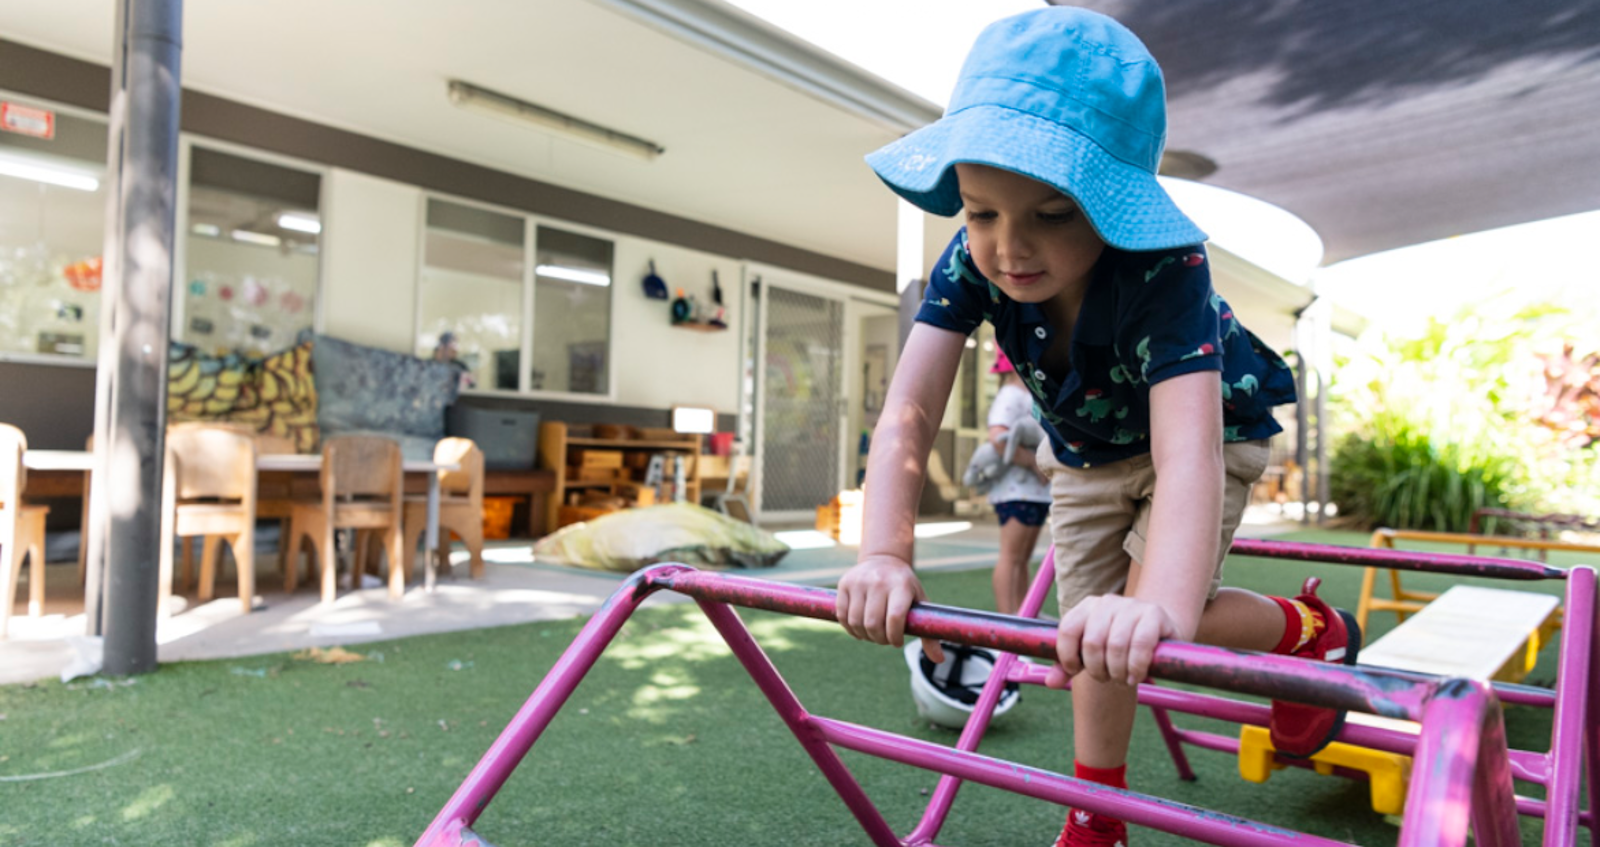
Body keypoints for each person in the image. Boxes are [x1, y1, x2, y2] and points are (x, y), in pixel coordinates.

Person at [832, 9, 1359, 846]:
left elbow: (1187, 451)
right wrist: (885, 552)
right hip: (1084, 453)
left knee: (1144, 619)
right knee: (1091, 635)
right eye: (980, 211)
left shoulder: (1163, 268)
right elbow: (912, 408)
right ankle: (1098, 814)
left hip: (1206, 434)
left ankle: (1309, 631)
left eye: (1050, 213)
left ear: (1110, 203)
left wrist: (1164, 610)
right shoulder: (970, 260)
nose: (1009, 245)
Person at [983, 349, 1051, 616]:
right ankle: (1008, 619)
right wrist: (1034, 462)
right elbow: (998, 437)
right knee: (1012, 557)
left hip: (1034, 491)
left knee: (1022, 559)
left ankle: (1022, 616)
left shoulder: (1030, 394)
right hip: (1016, 491)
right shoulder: (1011, 395)